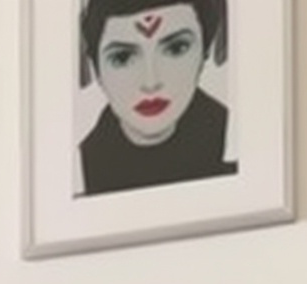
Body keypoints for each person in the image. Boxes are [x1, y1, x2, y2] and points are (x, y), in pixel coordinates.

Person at [78, 0, 234, 196]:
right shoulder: (79, 168)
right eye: (122, 58)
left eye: (176, 48)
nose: (151, 82)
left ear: (205, 53)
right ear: (97, 69)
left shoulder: (237, 146)